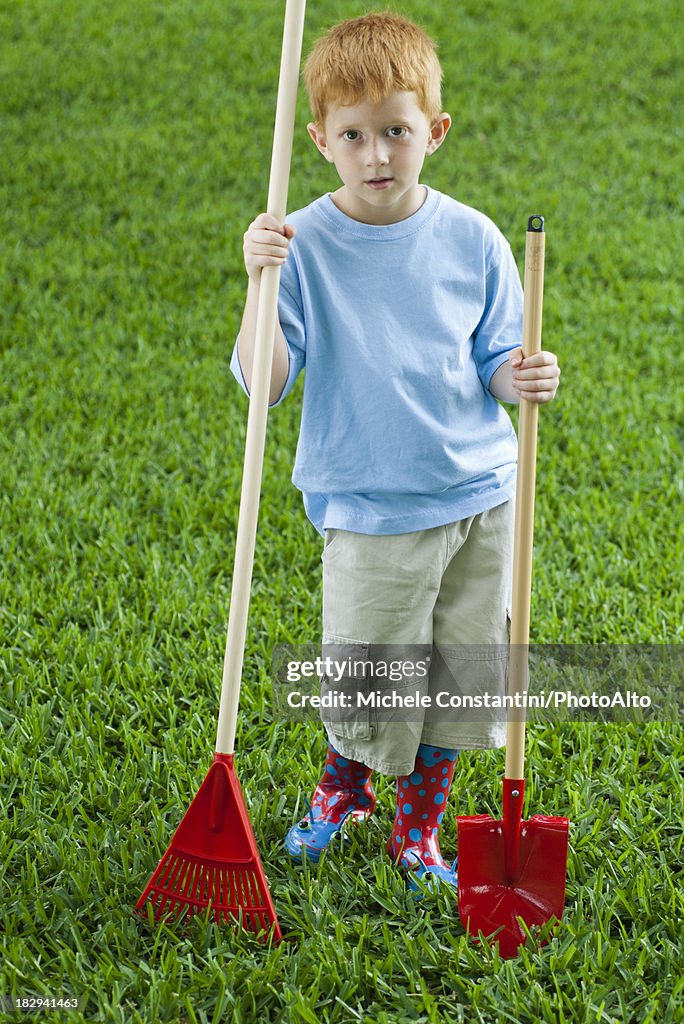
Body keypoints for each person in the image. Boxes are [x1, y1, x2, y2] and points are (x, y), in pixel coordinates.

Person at [231, 12, 560, 890]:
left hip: (480, 496)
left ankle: (417, 832)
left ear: (434, 132)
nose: (376, 155)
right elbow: (265, 384)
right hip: (373, 507)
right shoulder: (301, 246)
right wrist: (260, 282)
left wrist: (518, 378)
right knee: (367, 683)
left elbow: (493, 359)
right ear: (319, 140)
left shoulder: (476, 240)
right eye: (354, 135)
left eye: (396, 132)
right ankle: (342, 790)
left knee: (457, 684)